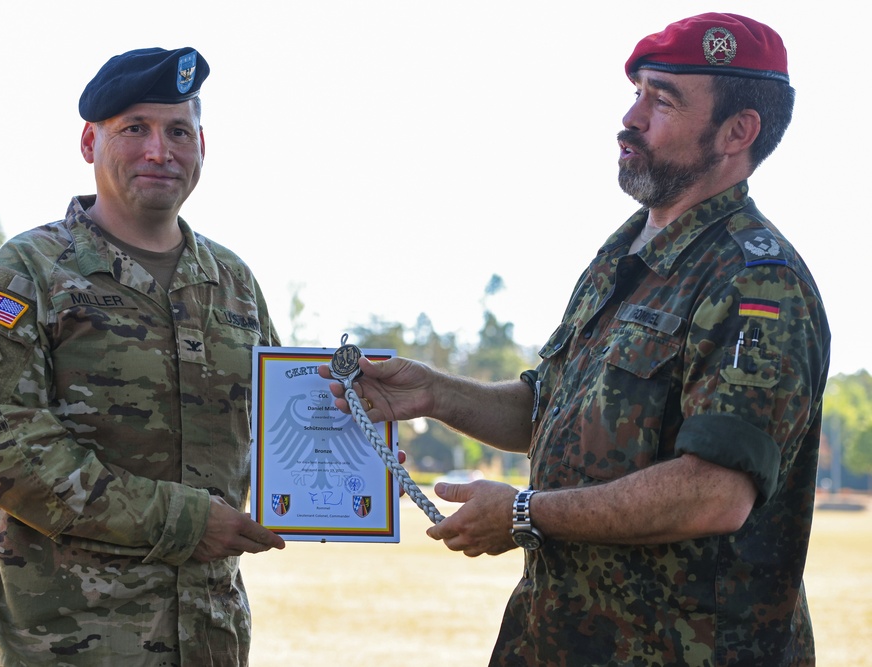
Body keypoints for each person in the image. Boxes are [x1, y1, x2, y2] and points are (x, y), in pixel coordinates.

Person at [323, 13, 829, 666]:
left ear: (738, 131)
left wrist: (525, 512)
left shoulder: (757, 282)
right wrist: (432, 392)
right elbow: (556, 412)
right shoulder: (623, 254)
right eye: (637, 92)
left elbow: (714, 492)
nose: (631, 117)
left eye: (661, 99)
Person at [0, 47, 285, 666]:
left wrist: (357, 404)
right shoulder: (30, 270)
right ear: (89, 142)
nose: (160, 150)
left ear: (202, 144)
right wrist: (179, 520)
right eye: (135, 129)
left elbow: (290, 419)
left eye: (178, 131)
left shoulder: (232, 281)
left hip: (205, 637)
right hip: (52, 642)